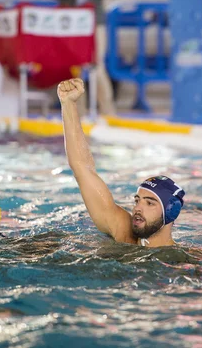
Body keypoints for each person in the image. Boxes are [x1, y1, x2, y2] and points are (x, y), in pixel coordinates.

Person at [58, 78, 186, 247]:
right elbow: (82, 168)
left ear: (170, 211)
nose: (137, 208)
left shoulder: (181, 262)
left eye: (149, 203)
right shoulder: (123, 231)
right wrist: (68, 104)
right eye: (137, 200)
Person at [51, 0, 117, 115]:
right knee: (73, 67)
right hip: (69, 24)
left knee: (97, 65)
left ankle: (108, 113)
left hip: (94, 21)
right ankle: (76, 115)